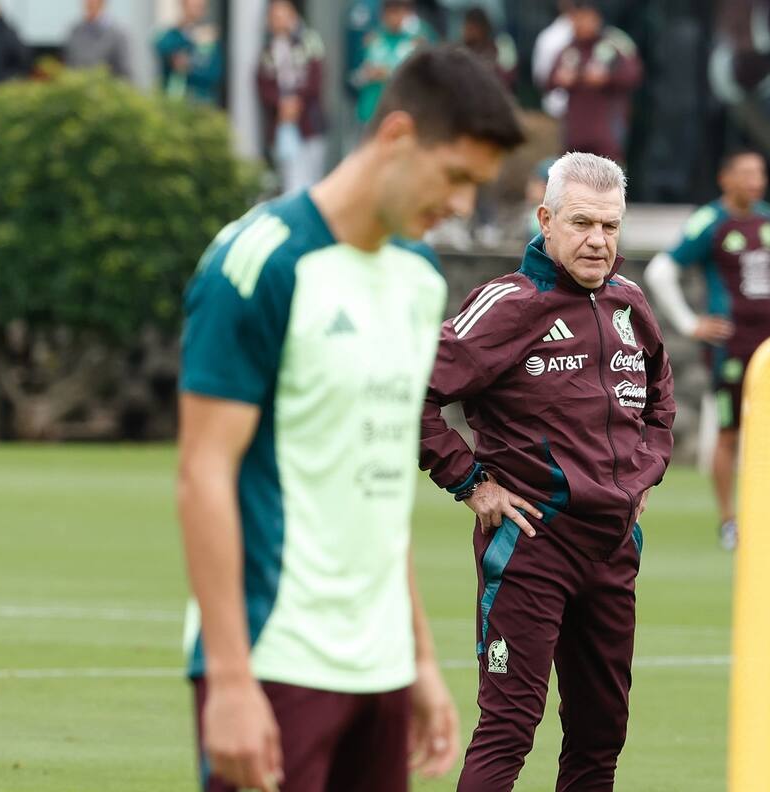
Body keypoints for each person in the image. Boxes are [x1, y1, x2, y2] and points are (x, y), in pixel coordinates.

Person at [178, 45, 525, 792]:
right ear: (397, 137)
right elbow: (202, 473)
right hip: (278, 661)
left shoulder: (418, 280)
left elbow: (374, 488)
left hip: (382, 671)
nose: (463, 205)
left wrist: (421, 661)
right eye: (456, 177)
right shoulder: (261, 262)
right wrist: (231, 681)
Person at [419, 151, 676, 790]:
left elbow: (660, 398)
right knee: (509, 729)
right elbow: (413, 393)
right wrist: (470, 482)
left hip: (613, 549)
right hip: (532, 544)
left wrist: (641, 477)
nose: (597, 241)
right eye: (582, 223)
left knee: (600, 734)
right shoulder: (507, 304)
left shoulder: (630, 303)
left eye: (610, 227)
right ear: (547, 219)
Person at [643, 149, 770, 551]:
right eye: (745, 173)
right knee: (729, 432)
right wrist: (692, 324)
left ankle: (769, 516)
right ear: (725, 179)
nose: (755, 181)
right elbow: (661, 271)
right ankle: (729, 521)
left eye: (760, 172)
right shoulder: (710, 221)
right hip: (731, 348)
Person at [547, 0, 642, 165]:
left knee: (607, 183)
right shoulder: (569, 49)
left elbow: (634, 74)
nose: (580, 23)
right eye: (576, 18)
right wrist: (560, 78)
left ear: (597, 18)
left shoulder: (614, 43)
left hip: (607, 136)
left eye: (585, 17)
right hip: (574, 136)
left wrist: (608, 78)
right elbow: (547, 80)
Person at [256, 0, 327, 195]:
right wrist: (281, 103)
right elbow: (263, 83)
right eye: (275, 16)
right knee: (288, 178)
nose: (280, 20)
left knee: (312, 179)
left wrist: (297, 102)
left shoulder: (309, 41)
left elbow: (316, 78)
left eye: (284, 14)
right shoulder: (269, 50)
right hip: (283, 123)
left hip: (308, 123)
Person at [350, 0, 429, 126]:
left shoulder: (416, 40)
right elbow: (355, 74)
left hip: (401, 112)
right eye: (390, 12)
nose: (394, 18)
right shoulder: (373, 39)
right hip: (371, 110)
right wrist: (366, 73)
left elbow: (421, 76)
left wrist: (387, 73)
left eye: (399, 12)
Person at [155, 0, 223, 104]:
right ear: (183, 5)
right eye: (192, 6)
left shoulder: (208, 38)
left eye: (200, 7)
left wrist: (189, 66)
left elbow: (214, 73)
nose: (196, 11)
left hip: (201, 101)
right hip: (174, 98)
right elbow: (161, 47)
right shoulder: (172, 35)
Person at [64, 0, 132, 80]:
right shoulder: (75, 32)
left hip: (106, 88)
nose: (89, 3)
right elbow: (69, 65)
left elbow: (125, 72)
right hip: (79, 88)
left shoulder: (117, 35)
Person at [531, 0, 573, 118]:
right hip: (557, 110)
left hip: (591, 112)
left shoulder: (601, 34)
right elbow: (541, 78)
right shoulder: (549, 37)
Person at [460, 7, 515, 90]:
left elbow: (508, 80)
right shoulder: (460, 53)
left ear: (483, 29)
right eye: (467, 28)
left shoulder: (500, 49)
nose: (467, 32)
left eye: (472, 29)